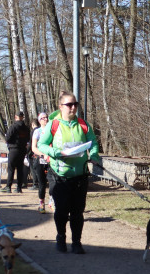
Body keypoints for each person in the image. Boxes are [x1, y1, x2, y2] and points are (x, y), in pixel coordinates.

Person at [35, 91, 101, 254]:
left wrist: (93, 156)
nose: (73, 108)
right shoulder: (54, 124)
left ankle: (77, 242)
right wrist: (56, 152)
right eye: (69, 105)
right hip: (60, 177)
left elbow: (92, 143)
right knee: (62, 211)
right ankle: (60, 237)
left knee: (78, 212)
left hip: (80, 176)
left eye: (75, 104)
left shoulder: (83, 124)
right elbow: (41, 145)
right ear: (61, 107)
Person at [2, 111, 31, 193]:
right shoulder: (26, 128)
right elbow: (28, 139)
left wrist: (10, 142)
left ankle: (8, 187)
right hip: (22, 150)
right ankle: (19, 187)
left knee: (11, 168)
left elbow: (7, 138)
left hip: (14, 149)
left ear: (16, 117)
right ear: (23, 117)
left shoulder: (13, 127)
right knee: (20, 168)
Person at [30, 111, 53, 213]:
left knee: (53, 183)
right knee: (42, 183)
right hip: (40, 160)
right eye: (43, 118)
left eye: (47, 117)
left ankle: (52, 202)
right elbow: (33, 148)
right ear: (39, 121)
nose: (46, 119)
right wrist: (43, 154)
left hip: (50, 161)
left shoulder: (52, 130)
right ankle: (41, 204)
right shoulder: (37, 132)